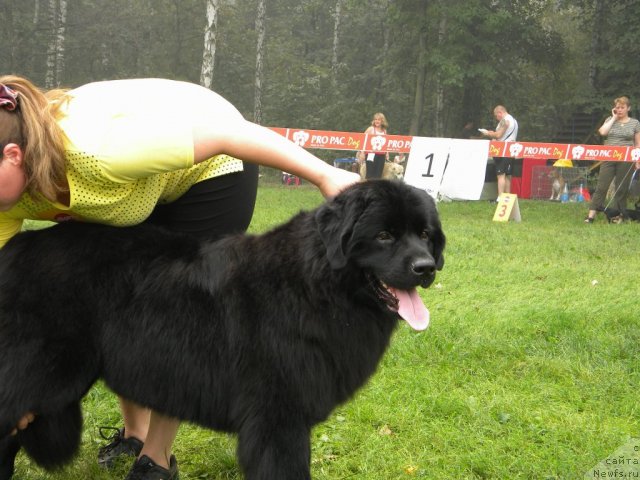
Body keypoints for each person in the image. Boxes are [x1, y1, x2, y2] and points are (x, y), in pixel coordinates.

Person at [0, 75, 359, 480]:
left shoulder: (98, 153)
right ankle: (134, 433)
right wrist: (17, 391)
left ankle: (156, 458)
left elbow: (229, 135)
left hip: (211, 167)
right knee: (110, 297)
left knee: (176, 316)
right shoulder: (9, 194)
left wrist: (326, 176)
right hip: (137, 186)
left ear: (13, 154)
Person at [584, 96, 640, 223]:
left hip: (626, 158)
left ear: (628, 108)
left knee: (621, 188)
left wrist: (637, 161)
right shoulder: (610, 119)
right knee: (601, 187)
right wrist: (614, 117)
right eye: (617, 107)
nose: (619, 110)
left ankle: (618, 216)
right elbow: (602, 132)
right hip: (609, 157)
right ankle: (591, 216)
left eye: (622, 107)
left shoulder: (635, 123)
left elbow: (637, 144)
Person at [479, 105, 519, 200]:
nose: (496, 118)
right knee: (508, 175)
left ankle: (500, 198)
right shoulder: (514, 120)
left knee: (501, 175)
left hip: (503, 150)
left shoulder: (505, 121)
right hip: (511, 150)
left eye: (496, 115)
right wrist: (493, 132)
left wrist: (487, 133)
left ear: (500, 113)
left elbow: (498, 135)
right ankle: (507, 197)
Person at [362, 112, 388, 179]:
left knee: (378, 175)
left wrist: (387, 153)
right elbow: (363, 139)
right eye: (375, 119)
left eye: (379, 120)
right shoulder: (370, 129)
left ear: (382, 121)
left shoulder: (384, 131)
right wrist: (362, 153)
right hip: (371, 154)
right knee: (370, 174)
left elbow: (386, 143)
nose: (377, 121)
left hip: (381, 155)